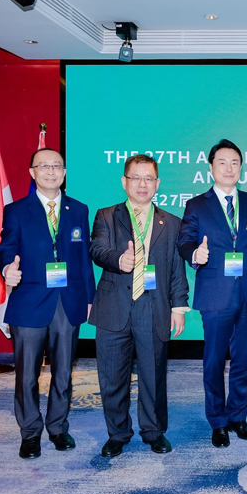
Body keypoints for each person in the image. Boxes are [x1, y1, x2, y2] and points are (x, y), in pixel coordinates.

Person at [0, 148, 95, 459]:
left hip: (68, 301)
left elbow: (84, 258)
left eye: (56, 166)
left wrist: (89, 297)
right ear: (32, 173)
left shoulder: (79, 209)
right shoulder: (16, 210)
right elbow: (5, 246)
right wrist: (6, 268)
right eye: (44, 166)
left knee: (63, 373)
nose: (51, 171)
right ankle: (30, 432)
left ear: (64, 173)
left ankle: (57, 427)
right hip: (29, 302)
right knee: (27, 375)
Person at [88, 154, 190, 458]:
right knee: (112, 376)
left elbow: (176, 269)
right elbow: (96, 249)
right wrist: (119, 259)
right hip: (114, 307)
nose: (142, 184)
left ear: (157, 183)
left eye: (149, 178)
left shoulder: (172, 222)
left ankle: (154, 431)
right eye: (136, 178)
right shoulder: (106, 216)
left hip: (154, 307)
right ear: (125, 181)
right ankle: (117, 434)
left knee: (153, 375)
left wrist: (179, 307)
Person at [178, 139, 247, 448]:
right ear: (211, 167)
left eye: (235, 162)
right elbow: (184, 241)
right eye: (222, 162)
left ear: (241, 167)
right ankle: (218, 421)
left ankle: (238, 416)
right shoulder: (197, 205)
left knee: (243, 359)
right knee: (214, 361)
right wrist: (195, 254)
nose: (229, 168)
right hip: (215, 293)